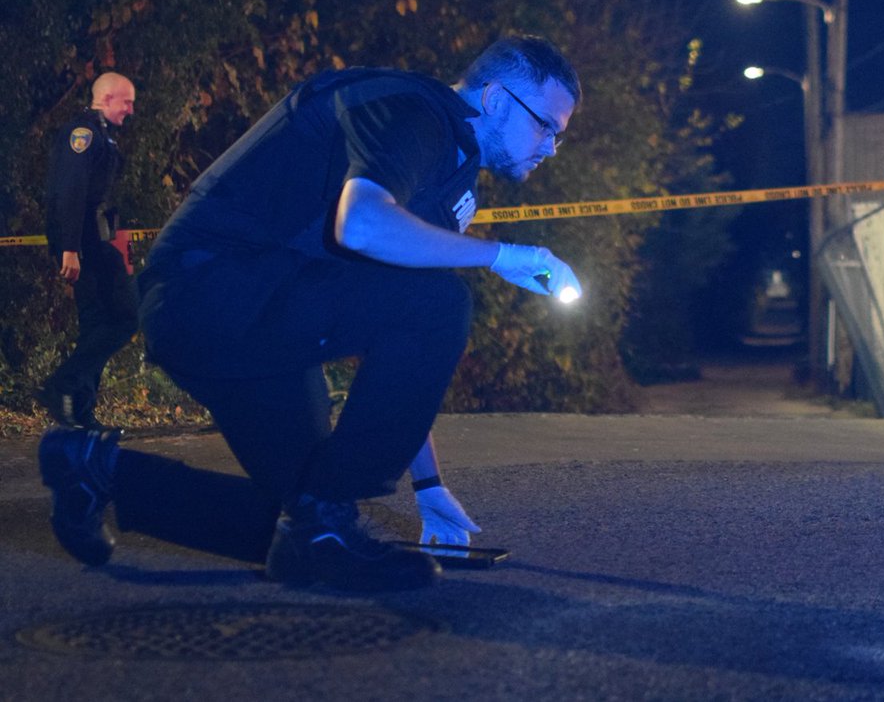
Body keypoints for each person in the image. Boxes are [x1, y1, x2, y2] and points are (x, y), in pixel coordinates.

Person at [38, 36, 583, 592]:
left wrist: (429, 487)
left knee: (308, 524)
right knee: (444, 303)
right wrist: (504, 256)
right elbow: (364, 226)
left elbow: (403, 330)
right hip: (209, 291)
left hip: (256, 314)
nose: (551, 147)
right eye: (547, 127)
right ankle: (324, 523)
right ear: (494, 99)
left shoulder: (453, 168)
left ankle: (94, 467)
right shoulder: (412, 112)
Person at [38, 72, 139, 430]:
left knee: (97, 324)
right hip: (86, 242)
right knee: (127, 317)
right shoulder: (84, 134)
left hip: (94, 240)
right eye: (126, 101)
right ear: (107, 98)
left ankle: (79, 410)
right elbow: (71, 191)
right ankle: (62, 385)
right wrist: (69, 248)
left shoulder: (101, 134)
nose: (131, 109)